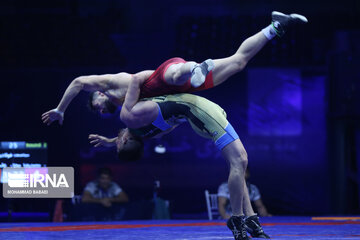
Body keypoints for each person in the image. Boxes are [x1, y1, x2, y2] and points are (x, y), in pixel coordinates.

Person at [41, 11, 307, 126]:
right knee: (239, 62)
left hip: (162, 77)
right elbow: (130, 132)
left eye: (97, 107)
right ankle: (276, 26)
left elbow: (77, 82)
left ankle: (195, 68)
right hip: (180, 89)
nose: (101, 111)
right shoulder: (125, 110)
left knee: (179, 73)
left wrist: (60, 109)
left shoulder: (111, 84)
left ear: (98, 95)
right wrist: (112, 142)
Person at [87, 74, 268, 239]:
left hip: (200, 113)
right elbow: (130, 133)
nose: (117, 141)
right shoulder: (138, 123)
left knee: (237, 165)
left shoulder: (144, 128)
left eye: (117, 144)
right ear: (126, 140)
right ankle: (237, 218)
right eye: (118, 144)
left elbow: (130, 136)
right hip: (200, 111)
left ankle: (250, 217)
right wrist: (160, 75)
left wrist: (110, 141)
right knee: (239, 161)